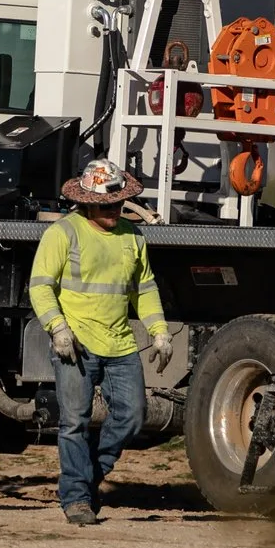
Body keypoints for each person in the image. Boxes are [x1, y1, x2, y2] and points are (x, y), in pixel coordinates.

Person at [29, 157, 179, 525]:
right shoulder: (62, 234)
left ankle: (89, 473)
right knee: (74, 422)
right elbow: (41, 286)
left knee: (132, 416)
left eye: (118, 202)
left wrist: (159, 331)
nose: (114, 209)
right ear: (87, 203)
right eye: (107, 204)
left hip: (121, 345)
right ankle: (77, 499)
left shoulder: (132, 236)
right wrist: (57, 328)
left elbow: (143, 289)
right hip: (76, 343)